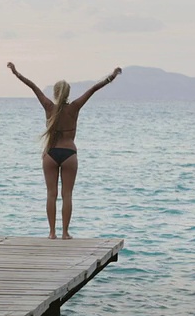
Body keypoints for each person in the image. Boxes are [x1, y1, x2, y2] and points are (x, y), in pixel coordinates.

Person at [7, 62, 122, 239]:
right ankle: (65, 233)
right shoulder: (74, 107)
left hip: (50, 154)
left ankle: (52, 233)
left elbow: (33, 87)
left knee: (51, 194)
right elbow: (93, 89)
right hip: (69, 154)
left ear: (55, 93)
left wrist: (16, 73)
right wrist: (112, 76)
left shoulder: (48, 107)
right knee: (67, 195)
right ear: (68, 94)